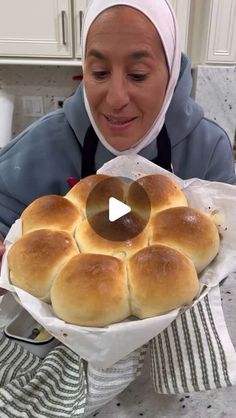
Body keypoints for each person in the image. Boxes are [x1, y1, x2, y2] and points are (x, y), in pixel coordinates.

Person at [0, 0, 235, 268]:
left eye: (138, 75)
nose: (116, 98)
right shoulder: (42, 144)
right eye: (100, 73)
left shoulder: (208, 149)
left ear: (170, 74)